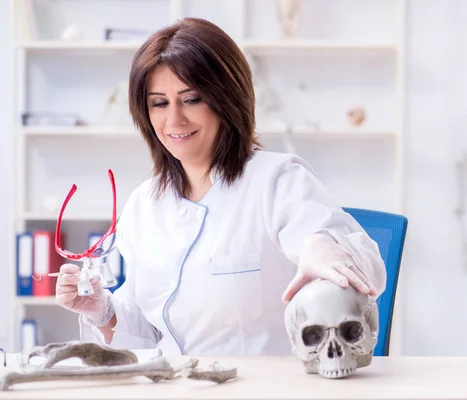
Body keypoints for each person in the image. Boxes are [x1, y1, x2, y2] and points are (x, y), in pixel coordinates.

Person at [55, 17, 386, 357]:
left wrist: (325, 246)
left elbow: (370, 270)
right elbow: (147, 336)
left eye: (192, 99)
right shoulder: (144, 204)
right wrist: (103, 312)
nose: (174, 120)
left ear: (226, 98)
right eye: (159, 103)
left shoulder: (276, 180)